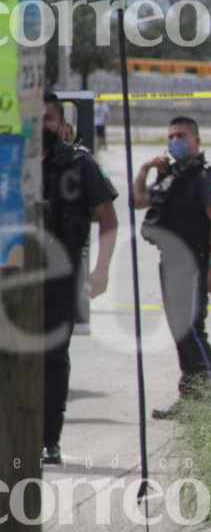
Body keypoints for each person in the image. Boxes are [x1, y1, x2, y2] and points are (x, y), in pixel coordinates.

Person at [133, 116, 211, 420]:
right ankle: (190, 399)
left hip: (195, 262)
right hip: (170, 263)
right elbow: (138, 201)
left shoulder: (208, 177)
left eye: (181, 135)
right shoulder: (168, 175)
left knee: (192, 331)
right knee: (180, 333)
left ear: (196, 142)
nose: (174, 140)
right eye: (171, 134)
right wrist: (145, 169)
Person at [41, 93, 119, 463]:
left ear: (60, 123)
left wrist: (101, 270)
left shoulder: (78, 163)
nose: (40, 126)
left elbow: (108, 218)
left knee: (53, 355)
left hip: (61, 274)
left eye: (47, 119)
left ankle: (47, 439)